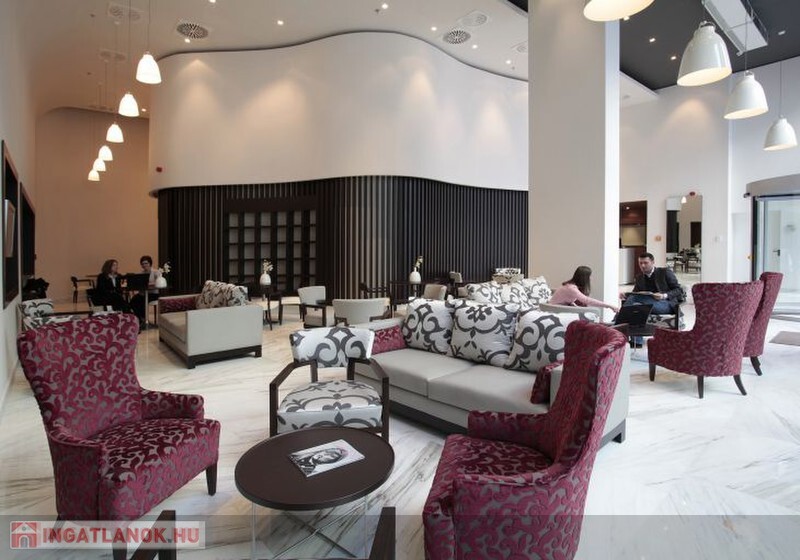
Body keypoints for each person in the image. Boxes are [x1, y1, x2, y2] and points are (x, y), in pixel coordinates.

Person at [549, 266, 619, 313]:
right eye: (589, 276)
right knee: (591, 312)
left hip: (559, 308)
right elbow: (586, 300)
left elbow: (566, 301)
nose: (591, 278)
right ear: (584, 278)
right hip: (554, 310)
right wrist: (609, 306)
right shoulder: (571, 288)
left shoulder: (570, 286)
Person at [130, 255, 161, 326]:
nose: (144, 265)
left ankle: (143, 319)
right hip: (143, 293)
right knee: (133, 301)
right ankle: (140, 319)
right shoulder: (141, 273)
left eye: (146, 263)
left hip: (153, 294)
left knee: (142, 302)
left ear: (150, 263)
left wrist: (148, 284)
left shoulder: (156, 272)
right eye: (143, 264)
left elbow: (158, 282)